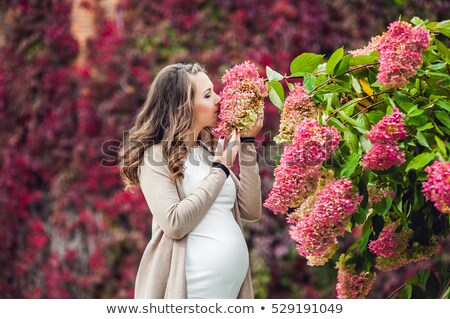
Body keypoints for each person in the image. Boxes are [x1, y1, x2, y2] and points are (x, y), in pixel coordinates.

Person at [118, 62, 263, 298]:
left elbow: (251, 209)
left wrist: (246, 144)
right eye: (208, 95)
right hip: (191, 291)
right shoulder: (155, 157)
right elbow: (174, 223)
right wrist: (220, 169)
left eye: (214, 91)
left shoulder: (207, 152)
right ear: (184, 107)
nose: (219, 99)